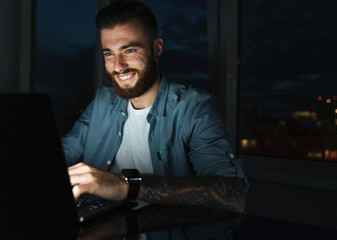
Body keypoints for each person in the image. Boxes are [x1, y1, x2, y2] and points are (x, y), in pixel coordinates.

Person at [62, 0, 248, 213]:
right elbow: (64, 152)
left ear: (157, 48)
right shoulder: (103, 101)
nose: (118, 66)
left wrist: (127, 186)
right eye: (108, 53)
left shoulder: (194, 108)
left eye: (129, 50)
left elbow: (234, 195)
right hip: (102, 229)